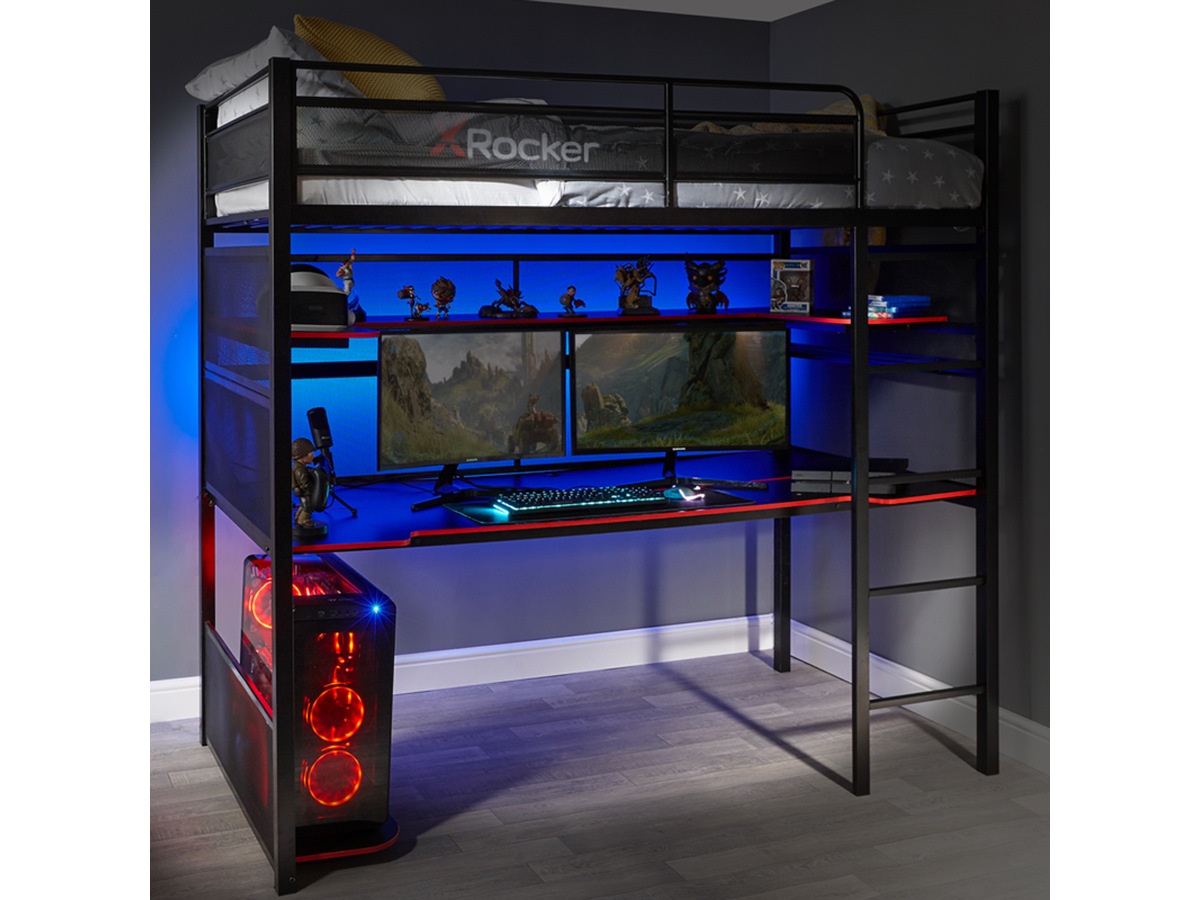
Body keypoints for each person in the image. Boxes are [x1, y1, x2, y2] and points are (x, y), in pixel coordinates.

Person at [291, 437, 318, 529]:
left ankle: (298, 517)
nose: (313, 456)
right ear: (302, 456)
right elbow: (306, 484)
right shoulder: (300, 470)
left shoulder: (299, 468)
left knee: (304, 506)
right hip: (306, 492)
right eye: (310, 454)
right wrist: (315, 487)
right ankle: (303, 520)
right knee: (308, 507)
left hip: (303, 492)